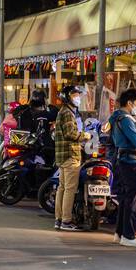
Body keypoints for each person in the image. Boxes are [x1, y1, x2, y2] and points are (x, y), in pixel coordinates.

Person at [107, 88, 136, 248]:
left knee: (125, 199)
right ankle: (129, 235)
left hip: (122, 161)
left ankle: (119, 233)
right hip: (131, 162)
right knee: (133, 200)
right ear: (130, 102)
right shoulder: (126, 120)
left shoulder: (116, 118)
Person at [53, 84, 86, 231]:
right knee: (69, 189)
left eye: (78, 94)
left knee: (62, 188)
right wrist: (86, 135)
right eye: (74, 95)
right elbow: (70, 134)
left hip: (64, 155)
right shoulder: (67, 112)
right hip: (70, 154)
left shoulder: (67, 111)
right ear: (67, 97)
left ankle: (59, 219)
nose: (77, 97)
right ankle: (66, 221)